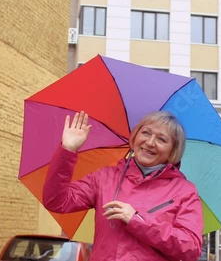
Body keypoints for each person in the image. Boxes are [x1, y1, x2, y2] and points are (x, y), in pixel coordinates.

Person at [43, 110, 203, 261]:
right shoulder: (104, 177)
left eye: (161, 139)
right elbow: (56, 201)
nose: (150, 142)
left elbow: (191, 247)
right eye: (145, 133)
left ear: (173, 151)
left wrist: (137, 220)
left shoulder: (184, 191)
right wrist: (68, 150)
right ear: (134, 137)